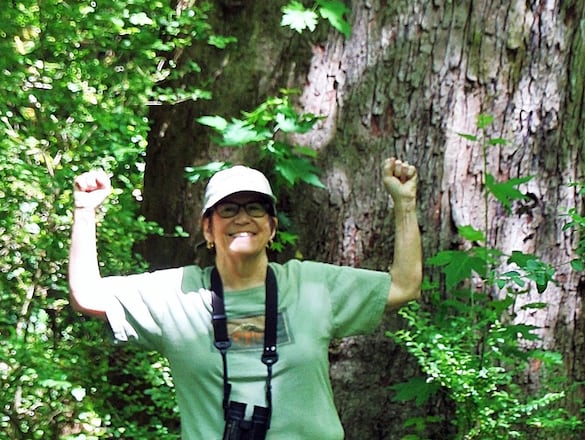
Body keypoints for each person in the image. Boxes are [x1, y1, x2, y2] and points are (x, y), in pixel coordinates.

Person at [68, 157, 422, 440]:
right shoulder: (177, 293)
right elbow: (87, 294)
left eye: (255, 208)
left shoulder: (313, 284)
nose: (242, 218)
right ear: (208, 228)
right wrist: (84, 211)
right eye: (227, 210)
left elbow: (404, 286)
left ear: (271, 227)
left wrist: (405, 204)